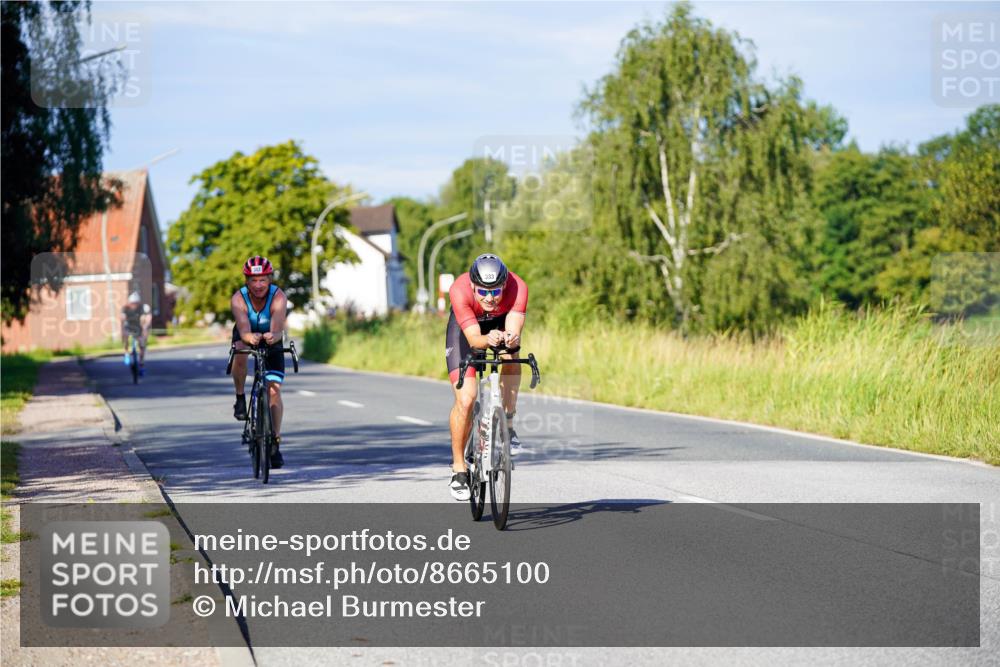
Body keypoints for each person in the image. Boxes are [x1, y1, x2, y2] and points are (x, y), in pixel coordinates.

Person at [445, 253, 528, 500]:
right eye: (483, 291)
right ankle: (459, 469)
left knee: (512, 356)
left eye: (495, 291)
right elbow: (474, 340)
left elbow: (514, 328)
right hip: (466, 330)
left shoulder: (518, 287)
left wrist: (510, 338)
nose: (489, 298)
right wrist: (487, 339)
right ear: (473, 286)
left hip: (500, 324)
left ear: (505, 284)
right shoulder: (459, 290)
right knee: (466, 399)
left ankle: (508, 426)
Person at [230, 255, 289, 468]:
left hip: (271, 335)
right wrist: (249, 337)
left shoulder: (278, 296)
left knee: (274, 390)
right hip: (247, 334)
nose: (258, 285)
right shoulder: (239, 298)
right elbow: (244, 328)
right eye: (253, 280)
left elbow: (277, 328)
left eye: (263, 280)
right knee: (240, 351)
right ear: (247, 281)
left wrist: (273, 336)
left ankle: (275, 440)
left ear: (269, 279)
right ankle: (240, 398)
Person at [120, 291, 152, 376]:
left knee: (142, 345)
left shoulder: (144, 308)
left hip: (139, 328)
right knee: (125, 335)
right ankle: (126, 353)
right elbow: (123, 318)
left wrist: (146, 326)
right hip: (129, 327)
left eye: (135, 303)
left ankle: (141, 364)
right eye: (132, 303)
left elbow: (148, 317)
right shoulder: (125, 308)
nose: (134, 305)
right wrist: (124, 323)